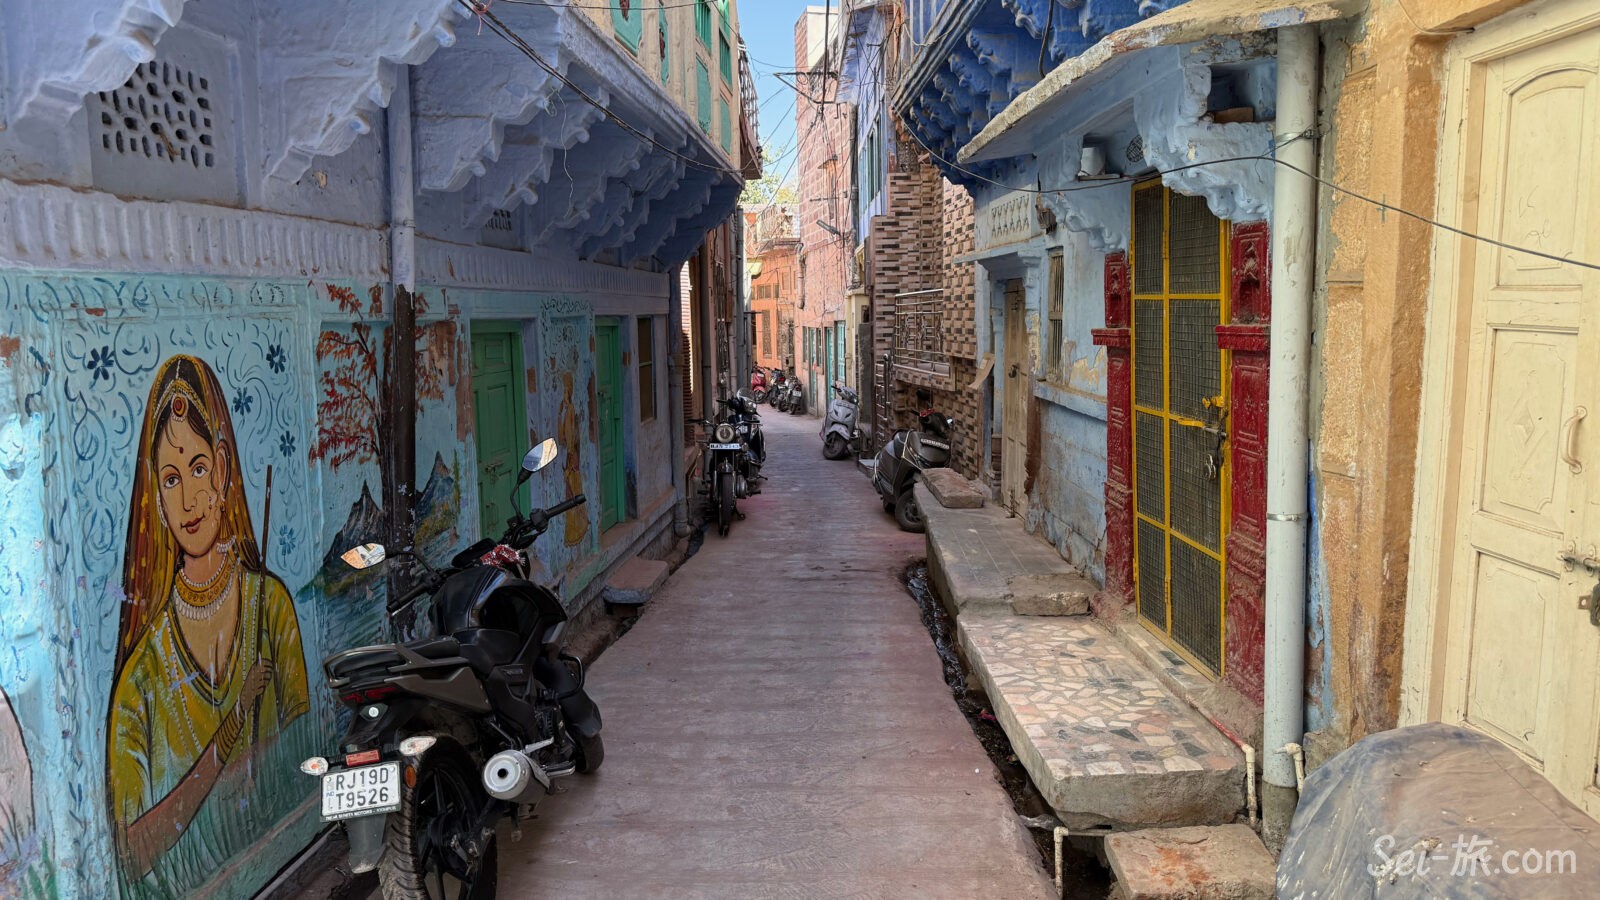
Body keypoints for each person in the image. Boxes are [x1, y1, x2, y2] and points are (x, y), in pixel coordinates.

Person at [106, 355, 309, 886]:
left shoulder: (272, 609)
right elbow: (133, 855)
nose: (190, 500)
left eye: (198, 469)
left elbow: (306, 760)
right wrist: (232, 728)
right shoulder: (141, 677)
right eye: (171, 479)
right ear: (156, 498)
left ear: (221, 469)